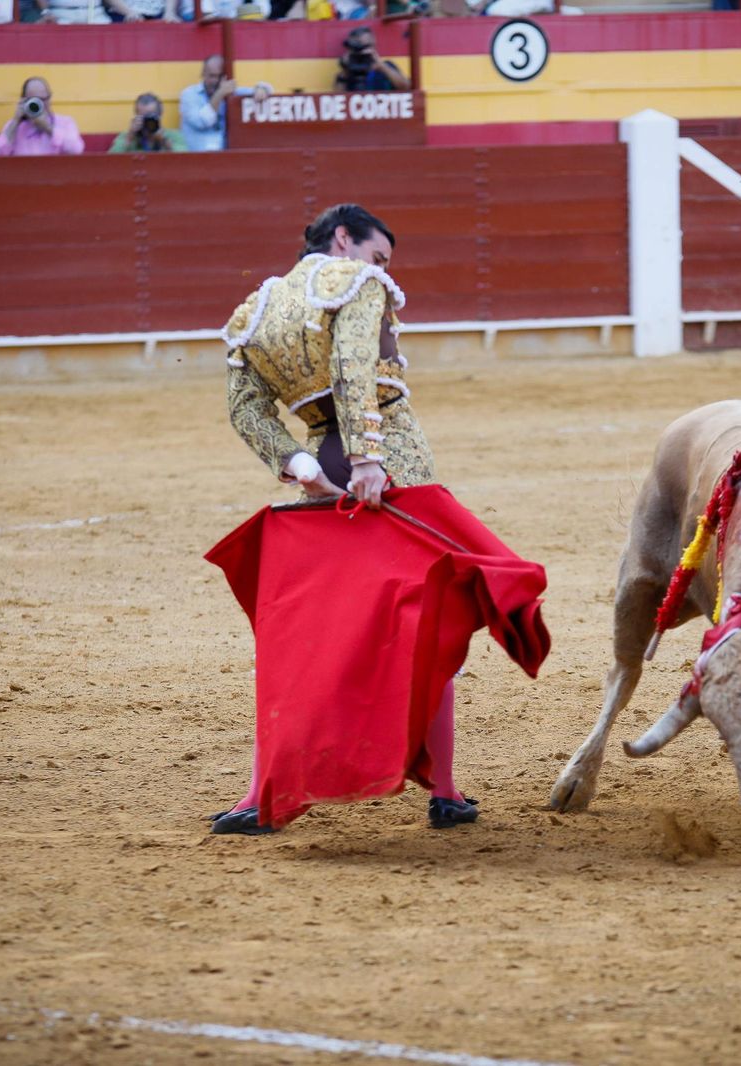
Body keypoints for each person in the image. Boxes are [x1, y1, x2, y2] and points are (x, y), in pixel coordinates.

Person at [212, 203, 480, 835]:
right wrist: (368, 459)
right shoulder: (355, 281)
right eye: (378, 256)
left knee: (316, 631)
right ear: (343, 240)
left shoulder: (256, 311)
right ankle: (443, 790)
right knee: (428, 618)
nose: (383, 270)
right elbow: (352, 370)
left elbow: (246, 411)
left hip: (320, 474)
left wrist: (303, 465)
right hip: (390, 461)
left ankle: (259, 795)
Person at [179, 55, 271, 153]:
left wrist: (262, 89)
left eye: (219, 76)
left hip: (227, 159)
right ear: (203, 74)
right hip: (196, 160)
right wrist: (220, 94)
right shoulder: (189, 95)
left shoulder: (230, 93)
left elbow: (264, 90)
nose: (215, 81)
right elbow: (203, 121)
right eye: (212, 76)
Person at [0, 77, 85, 157]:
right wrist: (15, 121)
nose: (38, 104)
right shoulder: (13, 126)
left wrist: (48, 128)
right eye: (33, 100)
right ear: (24, 100)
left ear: (49, 99)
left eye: (42, 99)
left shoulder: (65, 123)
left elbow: (76, 150)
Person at [333, 27, 411, 93]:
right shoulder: (348, 71)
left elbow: (406, 87)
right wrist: (345, 70)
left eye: (365, 46)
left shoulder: (386, 66)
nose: (361, 51)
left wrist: (381, 66)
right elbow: (338, 100)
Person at [108, 94, 188, 153]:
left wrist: (164, 141)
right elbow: (111, 159)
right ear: (136, 116)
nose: (146, 121)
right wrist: (130, 136)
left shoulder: (174, 135)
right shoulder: (127, 135)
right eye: (142, 117)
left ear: (160, 114)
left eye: (150, 116)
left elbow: (184, 159)